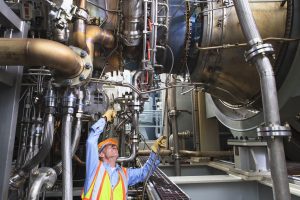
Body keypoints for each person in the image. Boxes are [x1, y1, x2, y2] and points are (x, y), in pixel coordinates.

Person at [81, 109, 166, 200]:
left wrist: (155, 152)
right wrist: (104, 118)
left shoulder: (124, 173)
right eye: (109, 146)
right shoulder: (94, 168)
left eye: (115, 146)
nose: (114, 146)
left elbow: (144, 173)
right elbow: (91, 141)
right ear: (101, 154)